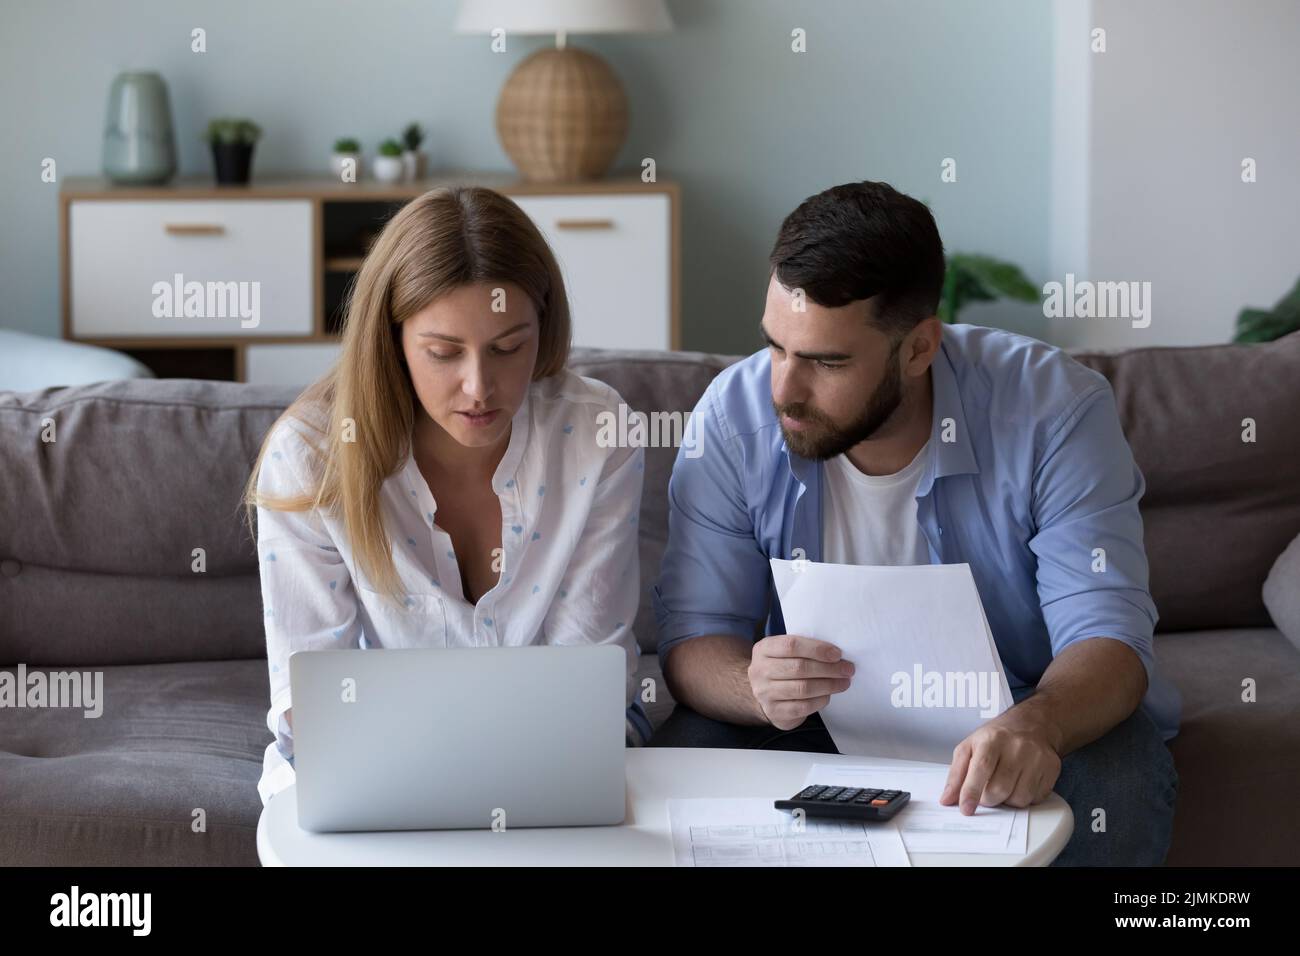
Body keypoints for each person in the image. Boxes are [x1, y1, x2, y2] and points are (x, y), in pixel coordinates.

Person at [650, 180, 1181, 866]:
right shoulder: (734, 415)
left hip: (1017, 708)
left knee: (1120, 781)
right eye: (777, 347)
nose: (784, 388)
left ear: (919, 349)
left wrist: (1039, 723)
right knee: (686, 759)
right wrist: (751, 686)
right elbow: (693, 635)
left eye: (827, 361)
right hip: (807, 719)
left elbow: (1107, 635)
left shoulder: (1055, 410)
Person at [244, 186, 650, 806]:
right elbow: (310, 700)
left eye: (509, 347)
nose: (479, 387)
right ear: (392, 340)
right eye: (442, 353)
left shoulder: (599, 434)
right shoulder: (309, 458)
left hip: (556, 752)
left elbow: (590, 680)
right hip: (377, 760)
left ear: (544, 326)